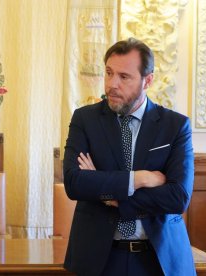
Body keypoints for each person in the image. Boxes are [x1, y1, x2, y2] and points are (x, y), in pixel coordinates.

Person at [63, 38, 195, 275]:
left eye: (124, 77)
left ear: (148, 80)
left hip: (159, 260)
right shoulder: (85, 119)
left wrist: (113, 196)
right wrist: (140, 179)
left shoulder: (175, 126)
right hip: (100, 259)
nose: (112, 84)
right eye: (109, 73)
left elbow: (178, 197)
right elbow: (75, 183)